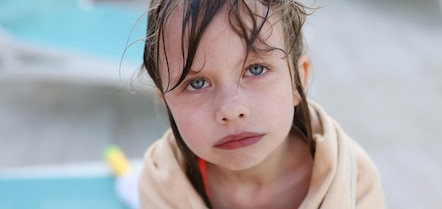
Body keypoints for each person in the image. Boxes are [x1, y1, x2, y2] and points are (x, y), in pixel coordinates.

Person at [137, 0, 385, 208]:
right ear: (166, 102)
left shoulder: (353, 178)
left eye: (256, 69)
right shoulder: (161, 186)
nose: (232, 110)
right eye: (197, 84)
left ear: (298, 79)